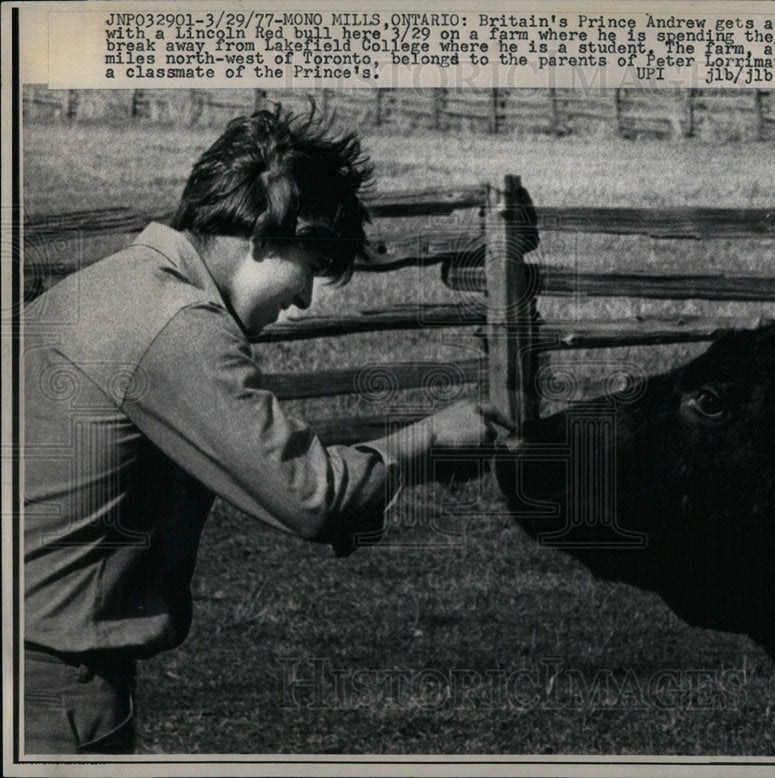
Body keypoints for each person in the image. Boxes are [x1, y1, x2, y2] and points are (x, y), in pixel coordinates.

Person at [22, 105, 509, 754]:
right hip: (50, 693)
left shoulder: (111, 286)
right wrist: (436, 438)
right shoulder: (176, 324)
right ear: (258, 237)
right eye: (309, 267)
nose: (305, 298)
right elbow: (310, 498)